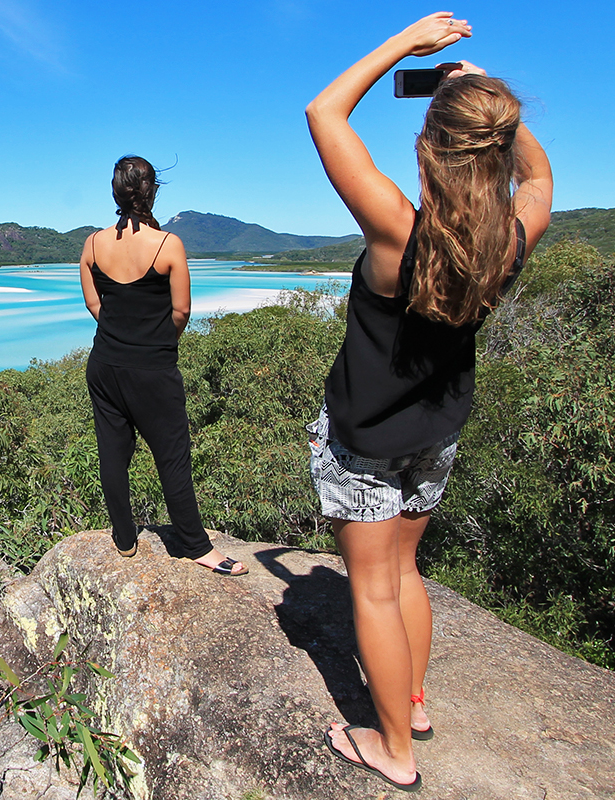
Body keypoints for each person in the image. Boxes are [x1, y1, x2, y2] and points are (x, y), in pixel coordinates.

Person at [304, 13, 552, 792]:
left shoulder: (396, 233)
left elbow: (323, 112)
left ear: (427, 150)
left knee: (373, 588)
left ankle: (393, 750)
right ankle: (410, 703)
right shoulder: (510, 240)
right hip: (436, 436)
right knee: (405, 569)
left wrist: (405, 46)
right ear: (495, 149)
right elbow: (539, 181)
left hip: (364, 442)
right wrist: (484, 101)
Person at [80, 155, 246, 576]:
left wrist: (121, 333)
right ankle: (196, 546)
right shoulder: (168, 244)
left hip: (104, 364)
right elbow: (181, 311)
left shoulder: (93, 244)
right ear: (151, 191)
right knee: (171, 455)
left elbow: (95, 304)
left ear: (116, 193)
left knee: (113, 453)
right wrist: (155, 342)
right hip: (152, 369)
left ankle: (124, 538)